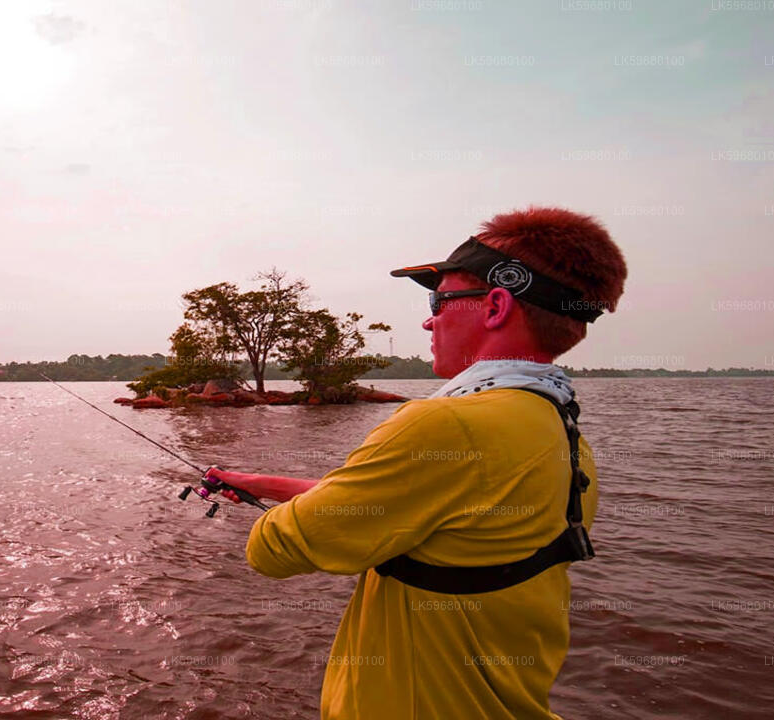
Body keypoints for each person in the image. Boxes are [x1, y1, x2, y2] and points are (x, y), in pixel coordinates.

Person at [205, 206, 627, 719]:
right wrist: (258, 483)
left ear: (494, 306)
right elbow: (423, 513)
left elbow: (272, 552)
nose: (429, 318)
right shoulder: (563, 435)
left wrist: (277, 518)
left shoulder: (442, 426)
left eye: (440, 299)